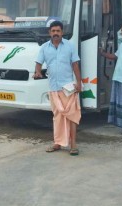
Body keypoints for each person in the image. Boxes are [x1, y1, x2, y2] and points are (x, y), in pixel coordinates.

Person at [34, 20, 83, 156]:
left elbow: (75, 65)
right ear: (50, 33)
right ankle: (58, 143)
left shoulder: (70, 46)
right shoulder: (44, 47)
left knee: (71, 116)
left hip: (68, 87)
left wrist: (79, 83)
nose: (56, 33)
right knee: (57, 117)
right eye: (53, 31)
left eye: (58, 31)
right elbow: (38, 63)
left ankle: (73, 145)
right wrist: (37, 71)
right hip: (53, 88)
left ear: (62, 32)